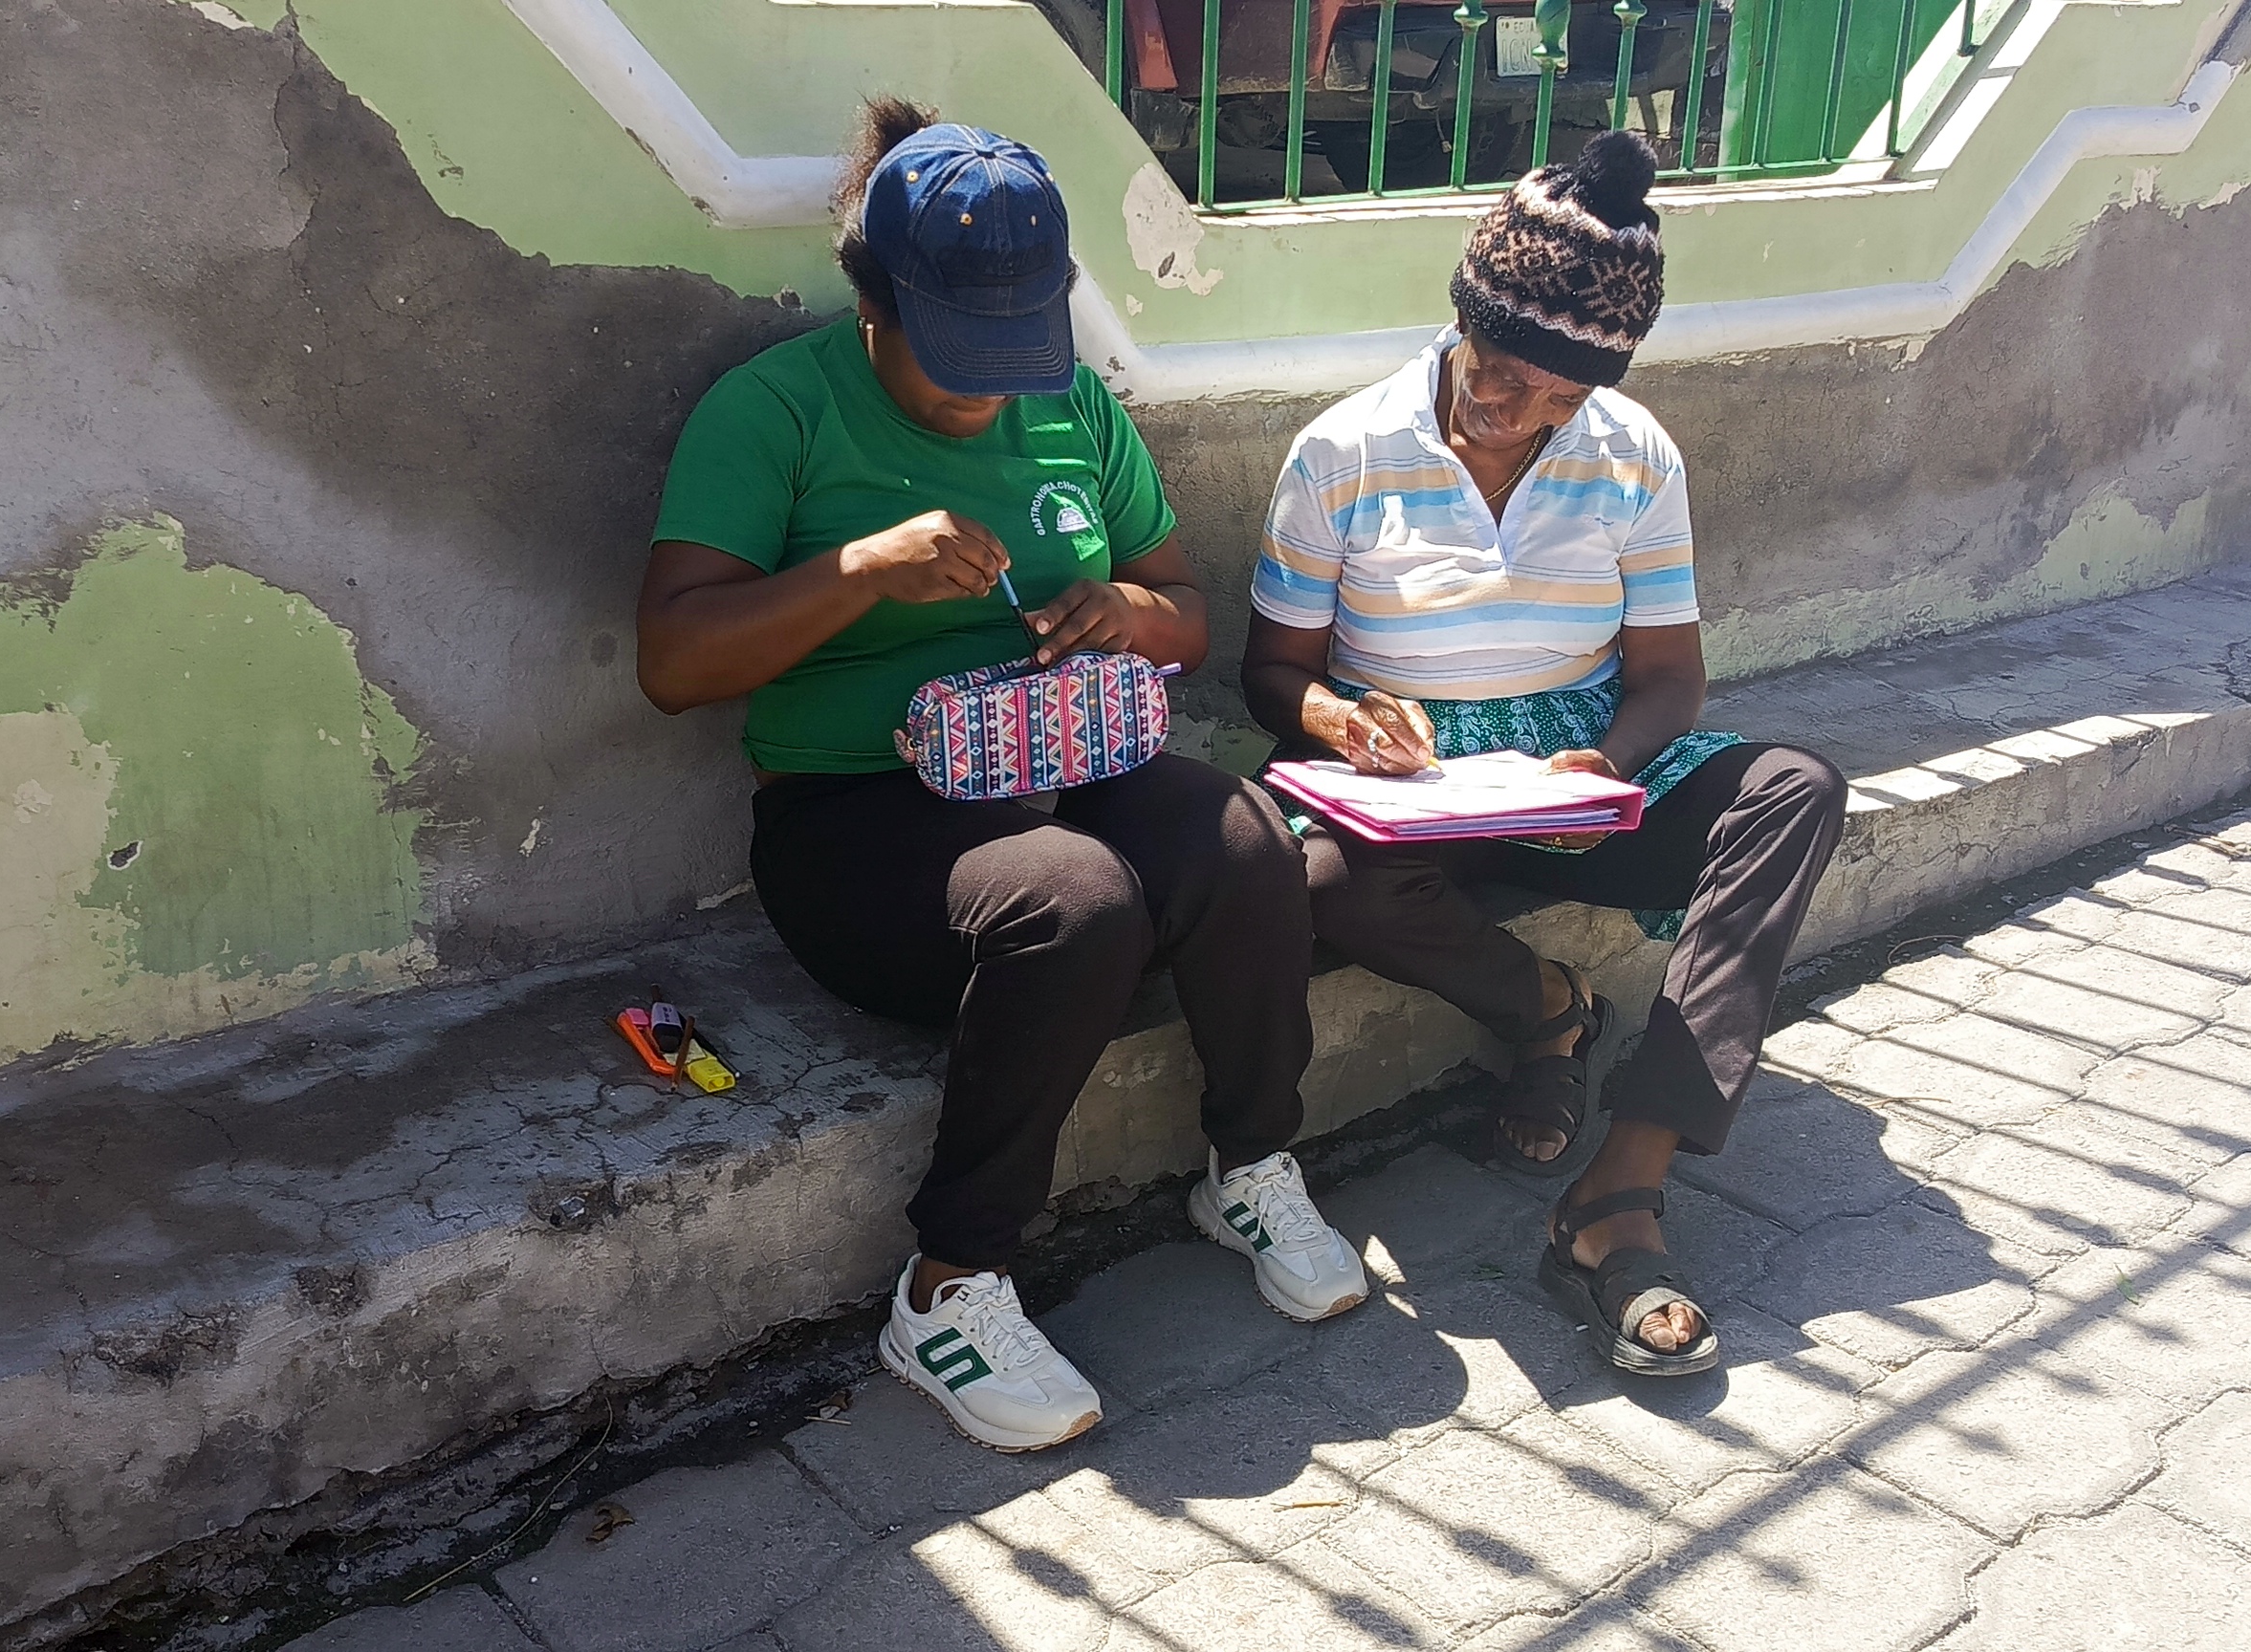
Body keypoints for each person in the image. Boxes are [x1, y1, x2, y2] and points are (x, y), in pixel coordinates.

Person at [637, 100, 1366, 1453]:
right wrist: (859, 571)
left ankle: (1252, 1165)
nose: (987, 391)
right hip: (856, 820)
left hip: (1061, 758)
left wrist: (1124, 613)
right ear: (873, 299)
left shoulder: (1070, 402)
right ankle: (950, 1286)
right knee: (1076, 899)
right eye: (955, 353)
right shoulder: (776, 409)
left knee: (1248, 835)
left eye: (1012, 351)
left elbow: (1183, 614)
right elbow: (674, 663)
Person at [1240, 132, 1848, 1379]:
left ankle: (1622, 1189)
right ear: (1465, 316)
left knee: (1794, 791)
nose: (1520, 415)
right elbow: (1271, 673)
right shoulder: (1342, 454)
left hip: (1580, 773)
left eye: (1562, 400)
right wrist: (1343, 723)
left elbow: (1671, 677)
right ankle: (1551, 1011)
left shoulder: (1634, 454)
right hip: (1411, 787)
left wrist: (1611, 764)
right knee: (1316, 877)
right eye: (1505, 375)